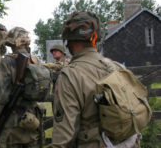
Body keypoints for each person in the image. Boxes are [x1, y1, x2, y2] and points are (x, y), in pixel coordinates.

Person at [50, 11, 140, 148]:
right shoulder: (118, 67)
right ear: (95, 37)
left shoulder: (70, 75)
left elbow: (63, 137)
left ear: (67, 41)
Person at [0, 27, 42, 148]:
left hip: (11, 123)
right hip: (32, 121)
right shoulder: (35, 60)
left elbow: (0, 95)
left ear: (12, 42)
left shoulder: (7, 61)